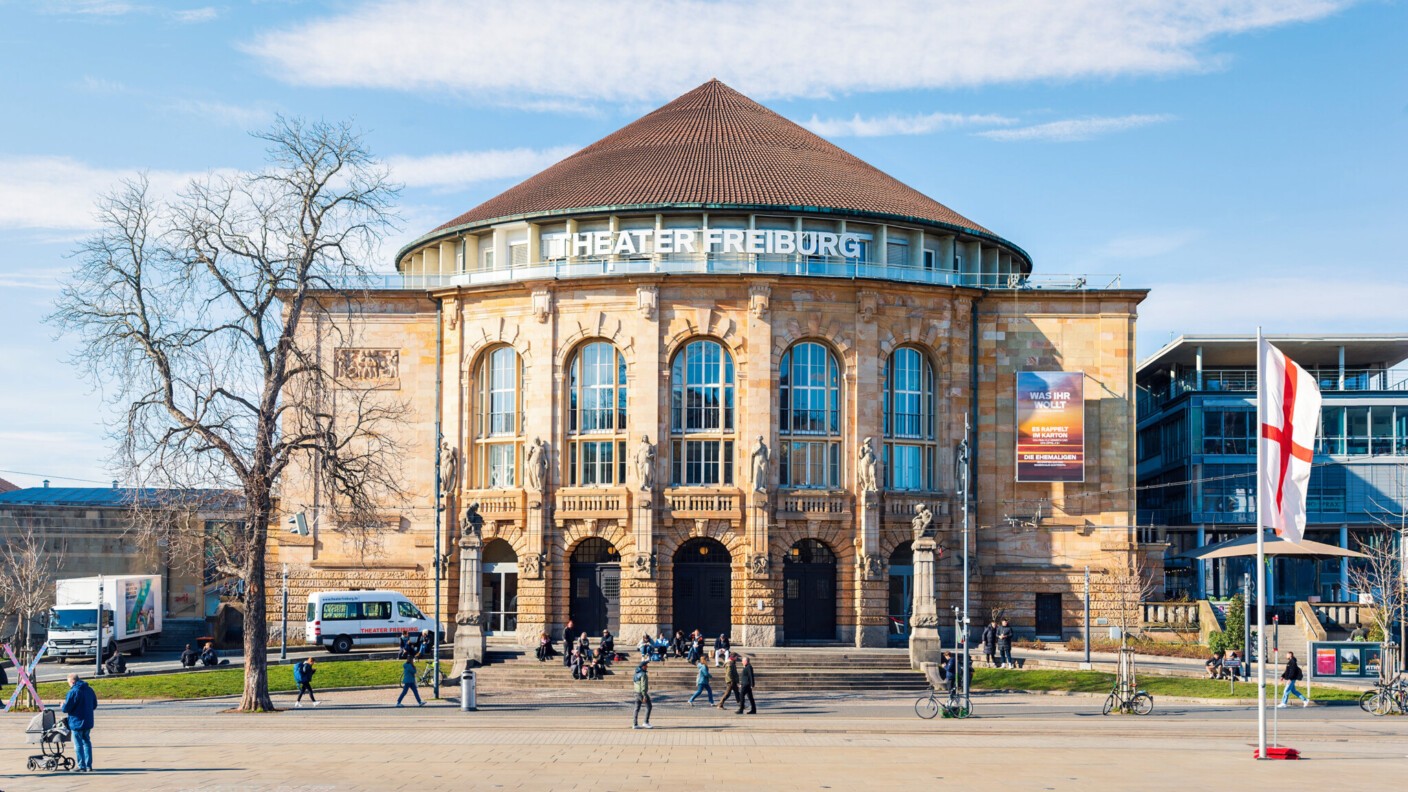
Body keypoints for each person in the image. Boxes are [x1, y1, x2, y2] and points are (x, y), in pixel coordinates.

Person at [61, 672, 97, 773]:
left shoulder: (73, 692)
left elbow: (67, 708)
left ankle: (81, 766)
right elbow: (94, 705)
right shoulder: (89, 690)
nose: (68, 684)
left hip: (76, 722)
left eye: (68, 682)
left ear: (72, 682)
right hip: (88, 721)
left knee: (78, 744)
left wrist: (62, 706)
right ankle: (89, 765)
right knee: (87, 742)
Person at [632, 661, 653, 729]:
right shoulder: (643, 674)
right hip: (641, 693)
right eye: (646, 666)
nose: (647, 667)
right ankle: (645, 722)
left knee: (636, 708)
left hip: (636, 692)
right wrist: (644, 695)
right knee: (649, 706)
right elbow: (643, 686)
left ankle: (635, 724)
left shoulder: (635, 674)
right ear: (643, 666)